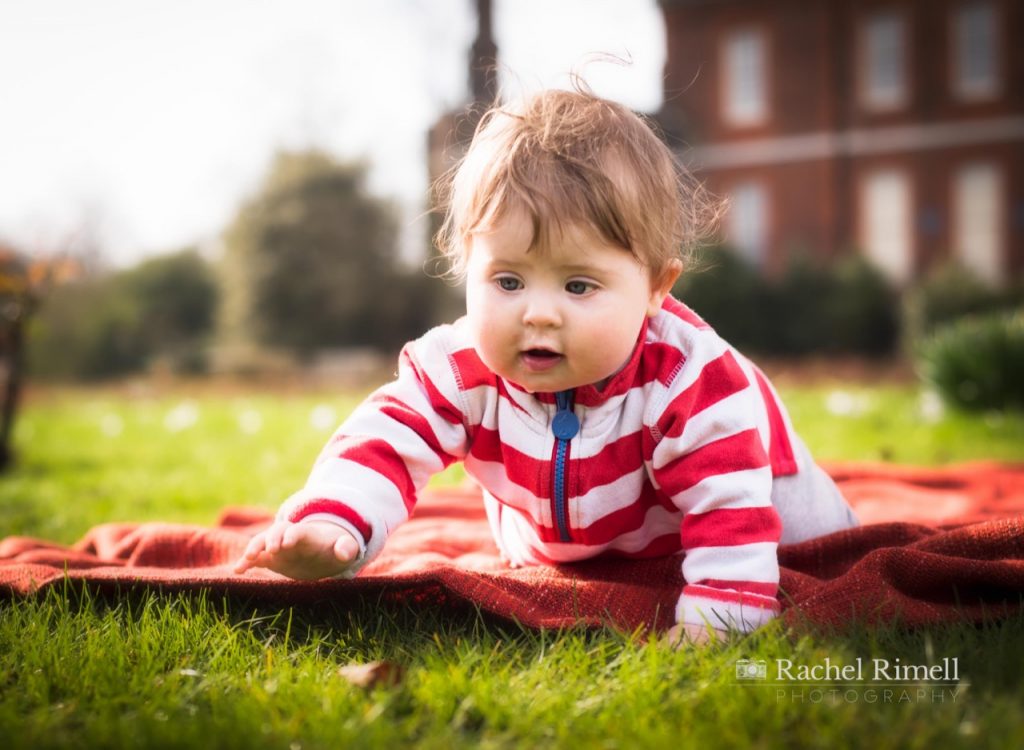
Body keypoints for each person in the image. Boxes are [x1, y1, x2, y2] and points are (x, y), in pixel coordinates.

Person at [234, 86, 859, 644]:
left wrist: (721, 621)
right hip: (558, 532)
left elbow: (730, 506)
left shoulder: (691, 381)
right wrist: (333, 521)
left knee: (823, 549)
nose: (538, 314)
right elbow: (383, 444)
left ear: (654, 288)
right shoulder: (458, 370)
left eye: (578, 286)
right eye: (507, 280)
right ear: (466, 270)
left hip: (761, 485)